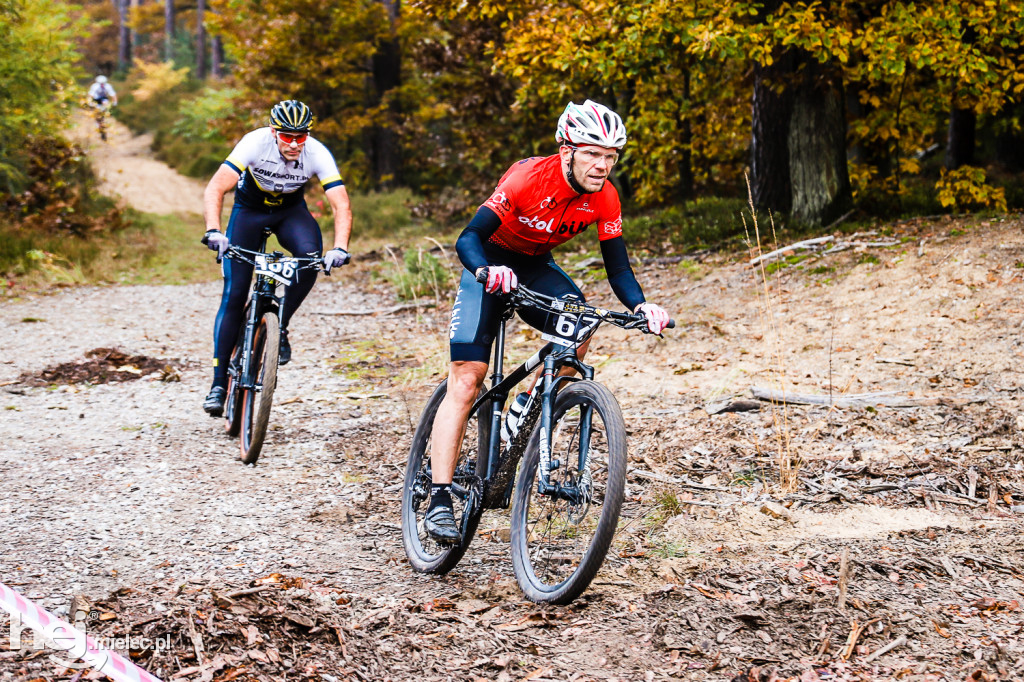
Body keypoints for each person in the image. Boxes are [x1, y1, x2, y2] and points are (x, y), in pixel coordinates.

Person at [424, 99, 671, 543]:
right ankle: (439, 498)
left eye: (611, 156)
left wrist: (641, 306)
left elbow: (618, 269)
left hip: (536, 266)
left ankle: (525, 409)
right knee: (466, 380)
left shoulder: (605, 197)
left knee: (582, 322)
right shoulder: (526, 178)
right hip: (490, 264)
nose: (602, 165)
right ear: (566, 150)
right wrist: (485, 270)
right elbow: (469, 237)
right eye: (593, 152)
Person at [201, 100, 353, 416]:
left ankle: (280, 324)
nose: (295, 143)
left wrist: (339, 247)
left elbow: (341, 205)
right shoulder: (254, 143)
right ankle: (218, 384)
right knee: (235, 292)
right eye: (287, 136)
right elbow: (216, 188)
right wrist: (214, 230)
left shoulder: (317, 152)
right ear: (273, 132)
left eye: (301, 136)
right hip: (249, 212)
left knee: (310, 259)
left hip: (290, 213)